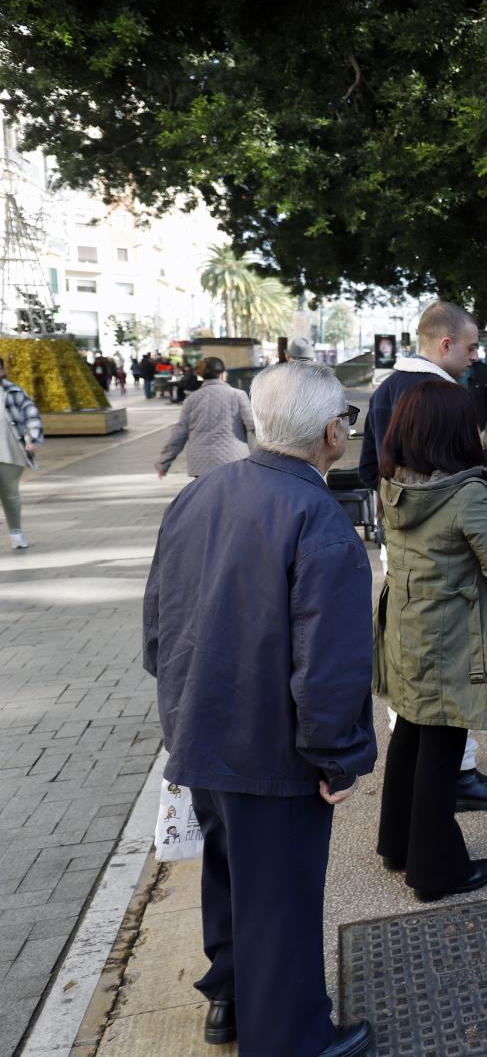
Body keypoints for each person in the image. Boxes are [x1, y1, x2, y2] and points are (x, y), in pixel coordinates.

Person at [142, 361, 376, 1057]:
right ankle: (290, 1039)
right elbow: (329, 669)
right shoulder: (319, 521)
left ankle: (231, 997)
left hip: (199, 726)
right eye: (348, 421)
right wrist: (336, 757)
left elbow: (158, 621)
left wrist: (178, 706)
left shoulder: (202, 492)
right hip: (270, 745)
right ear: (333, 432)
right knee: (279, 897)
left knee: (229, 873)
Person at [359, 299, 487, 810]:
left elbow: (377, 467)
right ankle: (456, 779)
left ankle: (425, 802)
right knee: (447, 690)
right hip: (448, 559)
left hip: (404, 538)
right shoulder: (440, 394)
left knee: (415, 694)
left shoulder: (388, 388)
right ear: (445, 343)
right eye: (472, 347)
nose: (477, 358)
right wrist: (482, 473)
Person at [373, 381, 487, 901]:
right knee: (442, 748)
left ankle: (398, 845)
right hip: (451, 638)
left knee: (411, 736)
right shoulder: (466, 493)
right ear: (455, 432)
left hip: (408, 626)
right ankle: (437, 869)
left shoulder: (394, 482)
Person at [155, 357, 255, 480]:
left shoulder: (191, 399)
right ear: (222, 374)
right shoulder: (238, 395)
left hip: (200, 464)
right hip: (233, 460)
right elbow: (253, 425)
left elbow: (179, 434)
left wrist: (163, 463)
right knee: (231, 498)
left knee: (207, 498)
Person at [1, 355, 43, 550]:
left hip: (9, 450)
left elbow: (31, 414)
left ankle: (16, 532)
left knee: (9, 493)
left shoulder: (13, 392)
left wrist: (33, 438)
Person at [461, 342, 487, 434]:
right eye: (469, 349)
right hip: (454, 423)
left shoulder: (485, 371)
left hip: (477, 424)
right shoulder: (447, 369)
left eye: (474, 349)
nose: (475, 357)